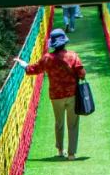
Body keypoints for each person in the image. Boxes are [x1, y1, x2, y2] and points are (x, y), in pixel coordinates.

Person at [17, 28, 87, 159]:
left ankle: (60, 150)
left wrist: (24, 65)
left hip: (56, 96)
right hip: (72, 95)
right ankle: (71, 154)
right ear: (64, 42)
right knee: (73, 124)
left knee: (59, 123)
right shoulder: (73, 56)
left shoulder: (47, 58)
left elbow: (33, 69)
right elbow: (82, 75)